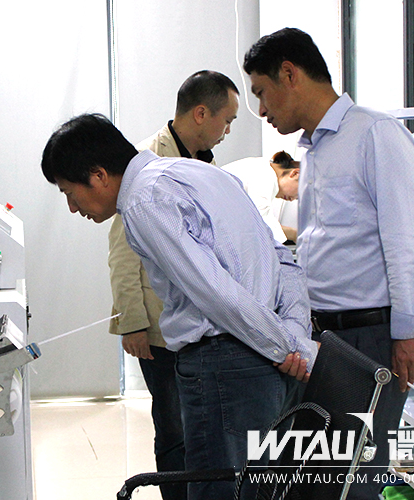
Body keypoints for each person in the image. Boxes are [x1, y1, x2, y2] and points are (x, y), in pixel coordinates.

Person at [42, 113, 316, 500]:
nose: (73, 208)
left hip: (226, 365)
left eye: (70, 193)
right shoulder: (203, 174)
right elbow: (281, 257)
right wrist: (294, 336)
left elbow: (214, 291)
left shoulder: (143, 202)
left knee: (220, 490)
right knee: (261, 489)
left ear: (99, 175)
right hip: (269, 362)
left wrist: (287, 347)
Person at [244, 27, 414, 499]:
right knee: (317, 478)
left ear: (289, 74)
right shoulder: (314, 148)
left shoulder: (374, 135)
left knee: (353, 481)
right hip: (322, 336)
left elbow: (408, 239)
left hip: (370, 337)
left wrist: (412, 330)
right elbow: (317, 245)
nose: (262, 110)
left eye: (262, 93)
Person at [108, 70, 239, 500]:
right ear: (201, 113)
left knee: (205, 427)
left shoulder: (206, 163)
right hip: (160, 328)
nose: (227, 130)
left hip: (204, 324)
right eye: (226, 120)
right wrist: (132, 322)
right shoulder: (143, 162)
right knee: (173, 427)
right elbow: (123, 252)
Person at [223, 150, 300, 243]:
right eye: (299, 194)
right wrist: (295, 234)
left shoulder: (262, 167)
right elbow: (261, 226)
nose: (292, 199)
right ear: (295, 174)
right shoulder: (264, 176)